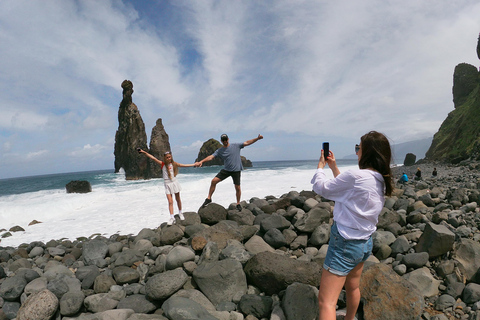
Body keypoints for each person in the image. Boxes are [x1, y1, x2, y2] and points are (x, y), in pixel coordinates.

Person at [311, 131, 393, 320]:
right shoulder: (380, 179)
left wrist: (320, 168)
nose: (357, 153)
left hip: (345, 244)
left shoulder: (357, 177)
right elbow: (350, 192)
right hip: (364, 244)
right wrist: (334, 168)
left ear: (368, 153)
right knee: (353, 287)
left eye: (359, 148)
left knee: (326, 302)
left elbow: (323, 188)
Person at [196, 133, 263, 211]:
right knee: (213, 181)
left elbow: (247, 142)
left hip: (236, 170)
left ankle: (238, 203)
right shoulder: (220, 150)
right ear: (221, 141)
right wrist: (201, 161)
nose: (225, 141)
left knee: (237, 187)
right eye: (223, 140)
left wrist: (257, 139)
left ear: (228, 139)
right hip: (226, 170)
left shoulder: (236, 146)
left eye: (226, 139)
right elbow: (211, 157)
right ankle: (209, 198)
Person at [138, 149, 197, 225]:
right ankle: (172, 217)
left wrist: (194, 164)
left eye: (170, 157)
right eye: (167, 157)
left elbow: (184, 165)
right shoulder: (162, 164)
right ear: (165, 158)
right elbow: (153, 158)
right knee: (170, 201)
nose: (169, 158)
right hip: (167, 184)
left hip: (174, 183)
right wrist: (144, 152)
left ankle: (180, 213)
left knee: (178, 199)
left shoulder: (174, 164)